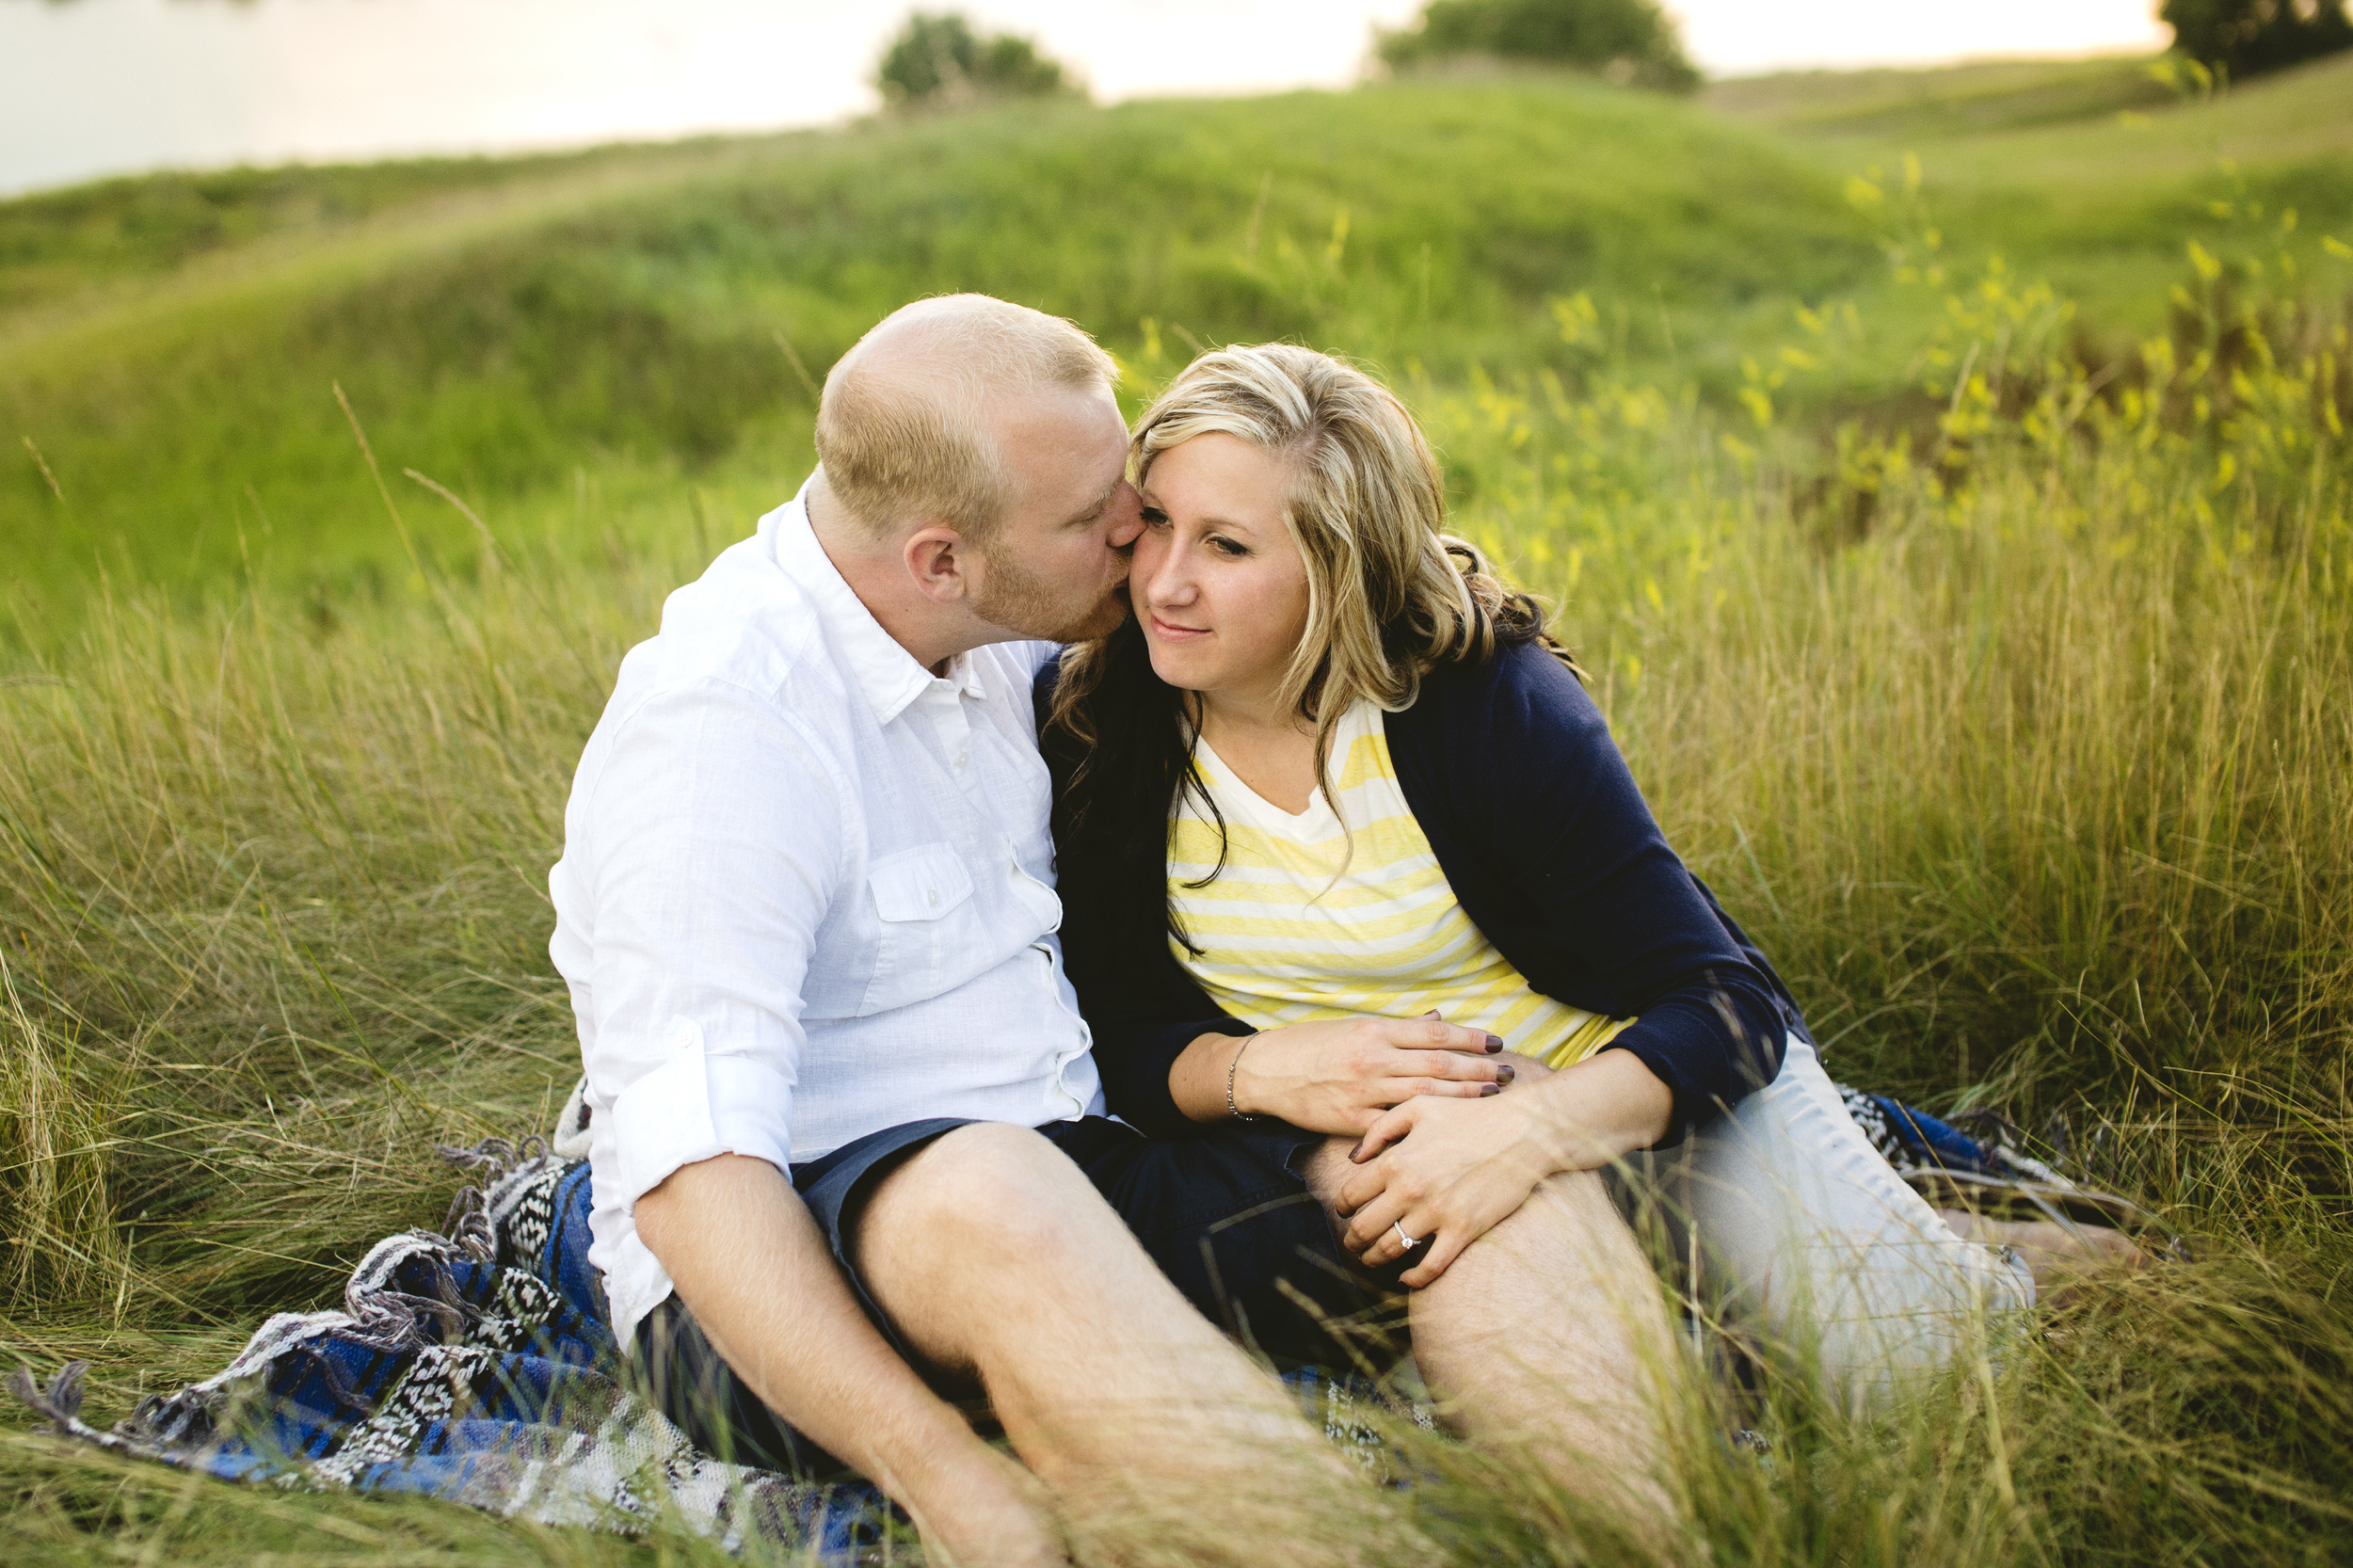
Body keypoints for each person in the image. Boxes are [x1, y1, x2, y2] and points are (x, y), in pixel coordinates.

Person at [549, 296, 1419, 1568]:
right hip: (788, 1264)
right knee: (992, 1188)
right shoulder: (721, 737)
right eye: (1093, 520)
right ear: (942, 558)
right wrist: (952, 1483)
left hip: (1083, 1161)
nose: (1137, 528)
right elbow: (698, 1185)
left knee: (1423, 1157)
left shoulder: (1008, 625)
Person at [1041, 343, 2051, 1431]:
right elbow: (1124, 1034)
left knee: (1927, 1395)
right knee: (1655, 1406)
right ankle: (1806, 1260)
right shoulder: (1101, 723)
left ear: (1340, 567)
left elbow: (1726, 1000)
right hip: (1396, 1163)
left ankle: (2023, 1258)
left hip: (1644, 1106)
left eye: (1226, 545)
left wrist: (1527, 1133)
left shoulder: (1478, 703)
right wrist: (1256, 1068)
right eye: (1156, 523)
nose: (1163, 580)